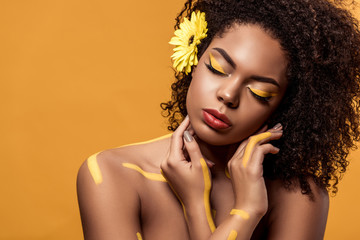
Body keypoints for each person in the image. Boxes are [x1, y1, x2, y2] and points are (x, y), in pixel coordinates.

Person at [77, 0, 360, 239]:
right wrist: (239, 213)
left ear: (285, 108)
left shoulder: (299, 196)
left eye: (260, 93)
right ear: (194, 60)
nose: (228, 95)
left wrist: (209, 208)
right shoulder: (111, 175)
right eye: (217, 68)